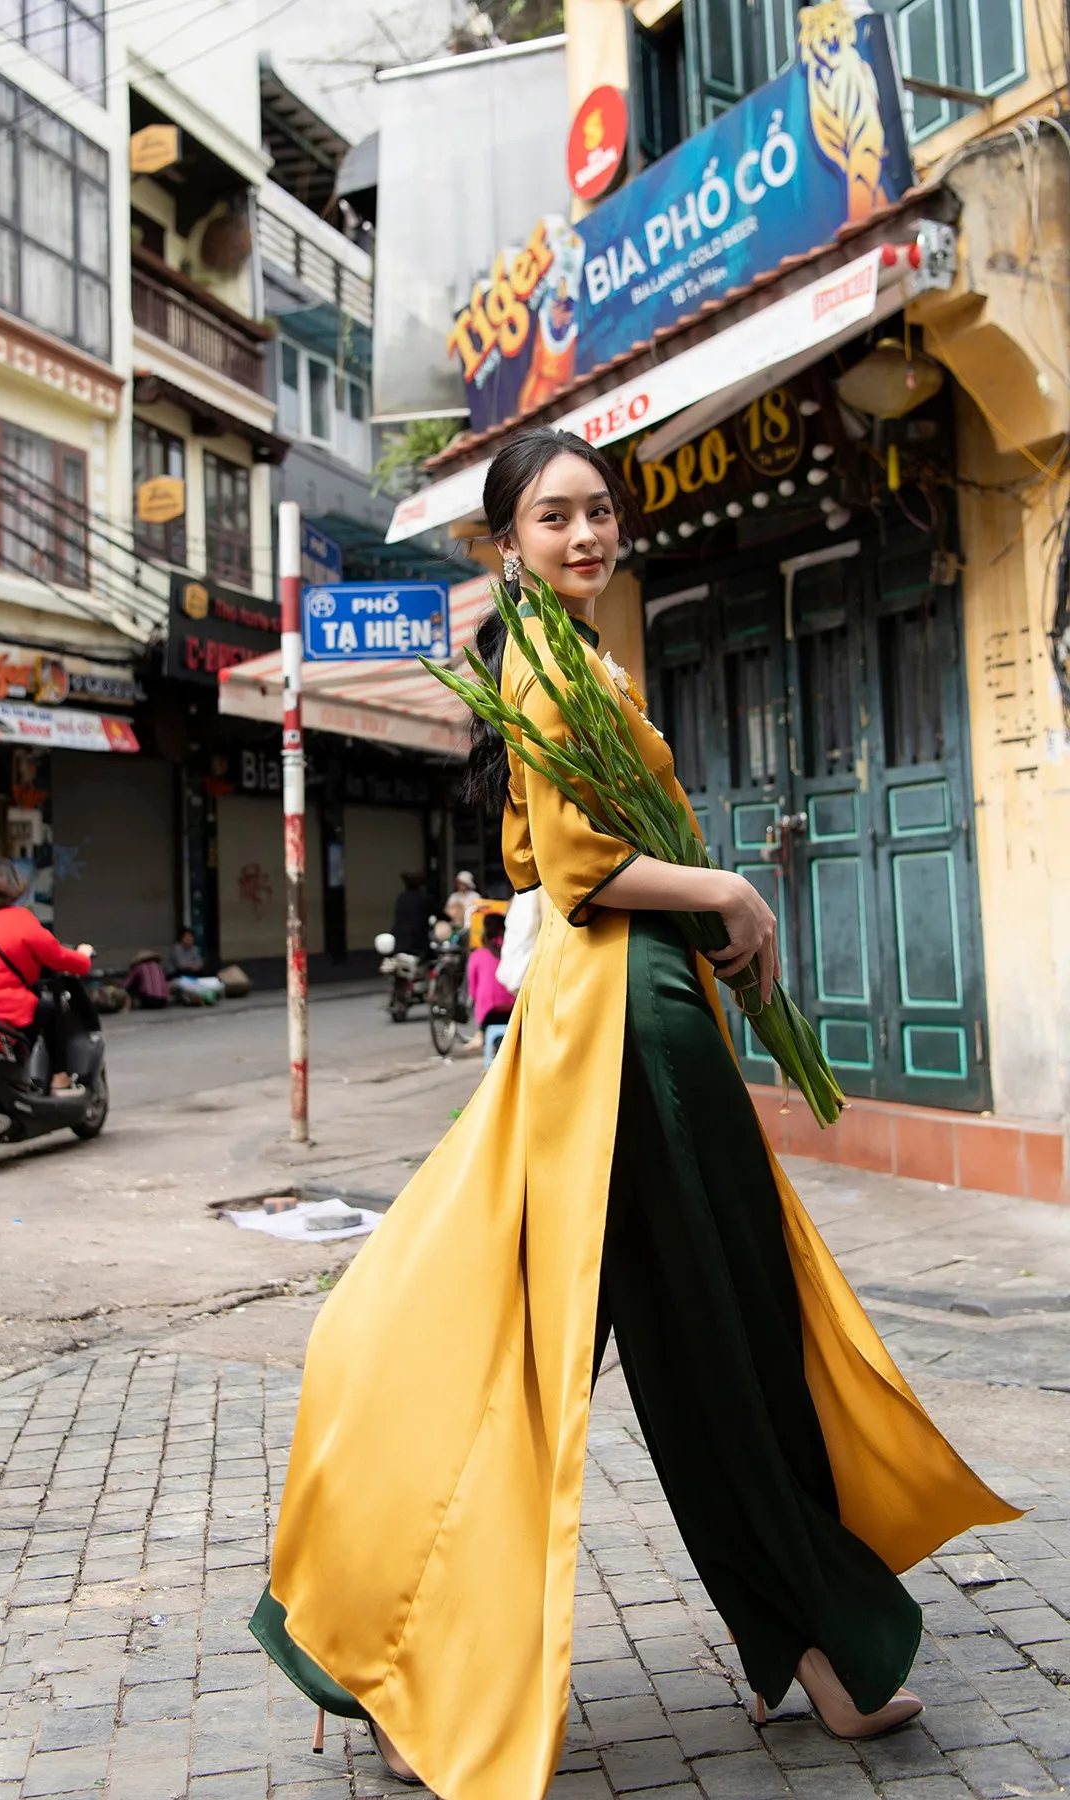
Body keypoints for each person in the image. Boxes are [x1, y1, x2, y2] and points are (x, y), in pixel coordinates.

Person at [249, 428, 1018, 1799]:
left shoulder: (573, 659)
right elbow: (589, 866)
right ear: (509, 544)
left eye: (600, 510)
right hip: (628, 1032)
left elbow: (542, 856)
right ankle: (398, 1638)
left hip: (619, 1020)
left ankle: (793, 1648)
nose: (586, 534)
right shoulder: (547, 658)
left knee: (637, 1337)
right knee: (716, 1340)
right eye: (555, 517)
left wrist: (707, 910)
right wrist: (725, 893)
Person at [0, 860, 92, 1090]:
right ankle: (59, 1077)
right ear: (15, 892)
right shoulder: (21, 919)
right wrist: (84, 955)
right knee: (51, 1006)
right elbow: (58, 957)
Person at [463, 910, 514, 1065]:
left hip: (487, 1016)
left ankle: (480, 1035)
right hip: (513, 1011)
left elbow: (472, 989)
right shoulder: (512, 952)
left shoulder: (477, 955)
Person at [391, 871, 437, 957]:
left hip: (399, 941)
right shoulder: (425, 898)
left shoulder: (402, 897)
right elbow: (439, 914)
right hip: (418, 944)